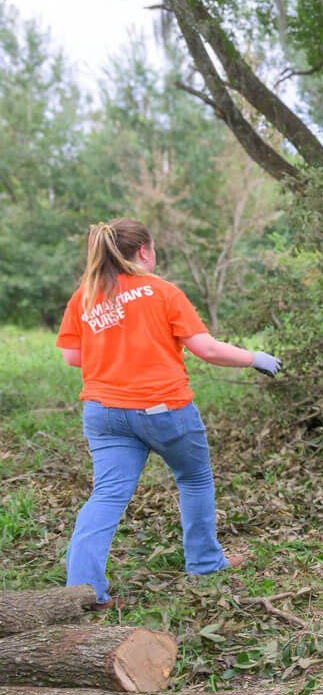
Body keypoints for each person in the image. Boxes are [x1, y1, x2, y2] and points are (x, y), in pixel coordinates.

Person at [56, 218, 282, 607]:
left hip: (104, 412)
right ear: (144, 251)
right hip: (163, 410)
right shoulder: (162, 291)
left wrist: (114, 352)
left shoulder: (86, 296)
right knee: (194, 480)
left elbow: (72, 356)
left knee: (106, 496)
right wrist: (255, 357)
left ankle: (83, 592)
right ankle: (205, 564)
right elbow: (207, 350)